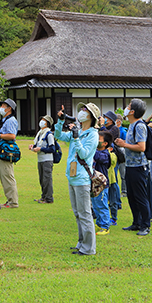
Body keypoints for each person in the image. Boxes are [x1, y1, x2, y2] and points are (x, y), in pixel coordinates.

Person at [55, 103, 100, 256]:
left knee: (85, 213)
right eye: (81, 109)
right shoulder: (79, 131)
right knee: (77, 213)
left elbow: (84, 154)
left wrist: (76, 138)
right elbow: (58, 135)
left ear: (91, 116)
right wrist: (60, 121)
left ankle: (89, 248)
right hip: (72, 177)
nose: (81, 112)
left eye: (84, 110)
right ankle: (81, 243)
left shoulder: (93, 134)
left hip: (82, 179)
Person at [114, 99, 152, 237]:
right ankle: (136, 222)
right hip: (130, 166)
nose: (126, 108)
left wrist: (124, 145)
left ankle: (145, 225)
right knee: (131, 196)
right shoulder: (131, 125)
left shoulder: (139, 126)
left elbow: (141, 147)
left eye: (128, 106)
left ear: (132, 111)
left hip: (139, 167)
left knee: (141, 197)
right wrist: (122, 144)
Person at [0, 99, 19, 209]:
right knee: (4, 177)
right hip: (2, 152)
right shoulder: (5, 120)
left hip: (7, 152)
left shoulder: (11, 120)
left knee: (8, 177)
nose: (1, 107)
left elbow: (12, 136)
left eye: (4, 105)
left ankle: (13, 202)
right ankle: (10, 200)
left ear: (9, 108)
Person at [29, 115, 56, 204]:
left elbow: (52, 149)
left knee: (47, 179)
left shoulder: (49, 134)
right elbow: (38, 146)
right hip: (40, 159)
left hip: (47, 160)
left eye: (44, 120)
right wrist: (33, 147)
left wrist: (40, 149)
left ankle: (49, 198)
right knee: (42, 179)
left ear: (47, 123)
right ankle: (43, 196)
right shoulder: (40, 134)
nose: (41, 121)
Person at [93, 131, 113, 235]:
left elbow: (98, 158)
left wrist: (91, 147)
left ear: (105, 143)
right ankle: (100, 223)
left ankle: (105, 226)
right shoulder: (97, 152)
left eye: (98, 139)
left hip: (102, 184)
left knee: (102, 205)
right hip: (94, 183)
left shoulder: (105, 154)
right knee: (95, 204)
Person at [116, 113, 128, 197]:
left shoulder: (123, 131)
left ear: (119, 122)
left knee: (123, 174)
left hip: (122, 155)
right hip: (114, 154)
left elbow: (126, 143)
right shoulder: (113, 130)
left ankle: (124, 191)